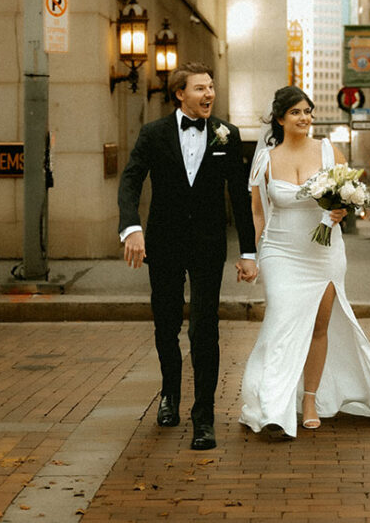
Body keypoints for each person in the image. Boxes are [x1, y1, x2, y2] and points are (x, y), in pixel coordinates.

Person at [239, 85, 370, 437]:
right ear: (281, 118)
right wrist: (251, 255)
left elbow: (350, 195)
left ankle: (310, 400)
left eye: (308, 111)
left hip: (324, 251)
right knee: (281, 322)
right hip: (281, 252)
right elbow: (257, 214)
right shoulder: (266, 159)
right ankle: (272, 405)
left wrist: (342, 210)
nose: (305, 118)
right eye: (297, 112)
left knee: (319, 325)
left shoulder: (330, 151)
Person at [118, 61, 257, 451]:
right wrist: (132, 228)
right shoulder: (154, 133)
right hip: (163, 242)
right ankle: (169, 394)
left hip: (208, 245)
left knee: (203, 329)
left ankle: (204, 417)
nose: (209, 94)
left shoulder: (227, 136)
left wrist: (248, 251)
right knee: (166, 324)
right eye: (200, 88)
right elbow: (130, 180)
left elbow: (240, 197)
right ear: (180, 93)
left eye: (211, 87)